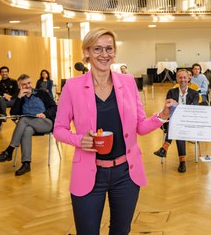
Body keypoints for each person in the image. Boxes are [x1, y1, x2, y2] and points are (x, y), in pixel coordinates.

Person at [53, 28, 173, 234]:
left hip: (125, 174)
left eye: (109, 49)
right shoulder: (72, 87)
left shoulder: (127, 83)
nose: (104, 54)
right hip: (90, 173)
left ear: (115, 52)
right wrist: (79, 140)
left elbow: (140, 127)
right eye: (97, 49)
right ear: (87, 52)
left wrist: (162, 115)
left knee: (121, 231)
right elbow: (59, 129)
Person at [0, 74, 57, 176]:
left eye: (29, 83)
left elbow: (54, 107)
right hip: (30, 125)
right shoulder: (20, 97)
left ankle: (9, 151)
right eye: (24, 85)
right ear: (20, 86)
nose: (28, 86)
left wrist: (45, 114)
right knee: (26, 130)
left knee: (24, 119)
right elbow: (13, 113)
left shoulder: (41, 93)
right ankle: (26, 164)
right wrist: (19, 98)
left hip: (45, 122)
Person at [153, 69, 200, 173]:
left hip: (188, 121)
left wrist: (178, 106)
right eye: (180, 77)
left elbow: (194, 108)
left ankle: (164, 148)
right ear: (177, 79)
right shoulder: (171, 92)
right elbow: (168, 107)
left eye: (184, 77)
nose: (182, 80)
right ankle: (182, 162)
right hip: (172, 120)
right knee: (176, 125)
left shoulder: (194, 93)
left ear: (189, 78)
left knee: (178, 126)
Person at [0, 66, 19, 132]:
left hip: (13, 101)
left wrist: (10, 97)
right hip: (4, 102)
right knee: (1, 99)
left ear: (8, 72)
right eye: (2, 72)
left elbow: (17, 92)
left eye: (5, 72)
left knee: (1, 108)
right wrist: (4, 95)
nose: (4, 73)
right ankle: (3, 115)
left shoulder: (14, 81)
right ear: (0, 73)